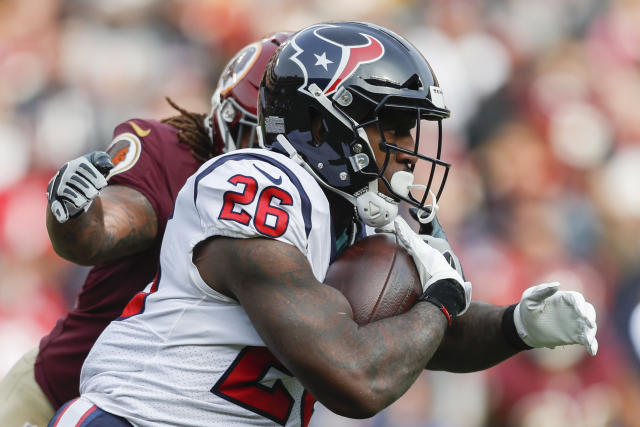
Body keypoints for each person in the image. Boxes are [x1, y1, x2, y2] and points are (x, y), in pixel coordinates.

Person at [50, 22, 597, 427]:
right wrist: (441, 301)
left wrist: (516, 326)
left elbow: (416, 337)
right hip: (137, 418)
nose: (410, 150)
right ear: (322, 120)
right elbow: (356, 378)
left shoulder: (357, 215)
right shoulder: (258, 183)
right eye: (395, 125)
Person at [0, 33, 290, 427]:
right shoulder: (174, 158)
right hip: (69, 390)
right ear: (226, 123)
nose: (276, 162)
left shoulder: (327, 218)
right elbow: (97, 232)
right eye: (261, 140)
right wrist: (77, 211)